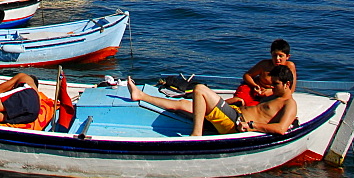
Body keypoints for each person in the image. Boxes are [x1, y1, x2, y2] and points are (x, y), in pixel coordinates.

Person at [127, 65, 297, 137]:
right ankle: (141, 96)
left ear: (287, 84)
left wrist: (252, 126)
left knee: (200, 89)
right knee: (184, 105)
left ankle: (196, 135)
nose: (272, 87)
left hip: (237, 123)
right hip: (234, 115)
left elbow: (281, 129)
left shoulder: (289, 104)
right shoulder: (274, 95)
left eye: (275, 84)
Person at [231, 39, 297, 106]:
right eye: (274, 55)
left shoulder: (289, 67)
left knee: (255, 108)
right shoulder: (264, 64)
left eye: (281, 56)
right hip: (253, 89)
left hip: (270, 95)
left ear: (287, 56)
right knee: (239, 101)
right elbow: (247, 75)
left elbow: (291, 89)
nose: (277, 58)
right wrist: (255, 86)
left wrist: (272, 92)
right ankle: (222, 106)